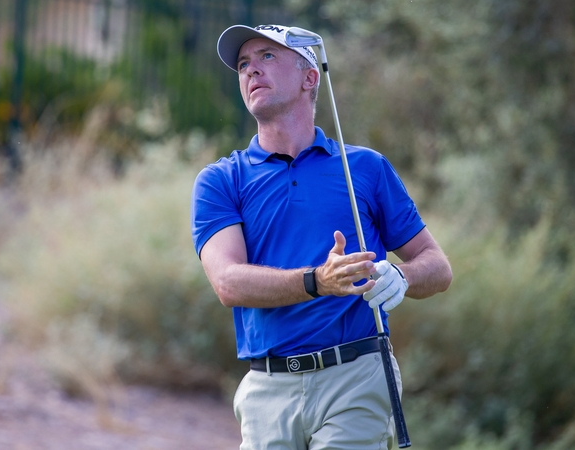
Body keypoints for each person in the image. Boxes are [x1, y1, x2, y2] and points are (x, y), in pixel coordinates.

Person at [191, 23, 453, 450]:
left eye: (267, 57)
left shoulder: (364, 168)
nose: (251, 70)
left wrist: (401, 278)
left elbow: (437, 266)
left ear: (310, 77)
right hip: (267, 387)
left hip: (356, 376)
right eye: (243, 64)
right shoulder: (221, 180)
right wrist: (317, 281)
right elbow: (227, 282)